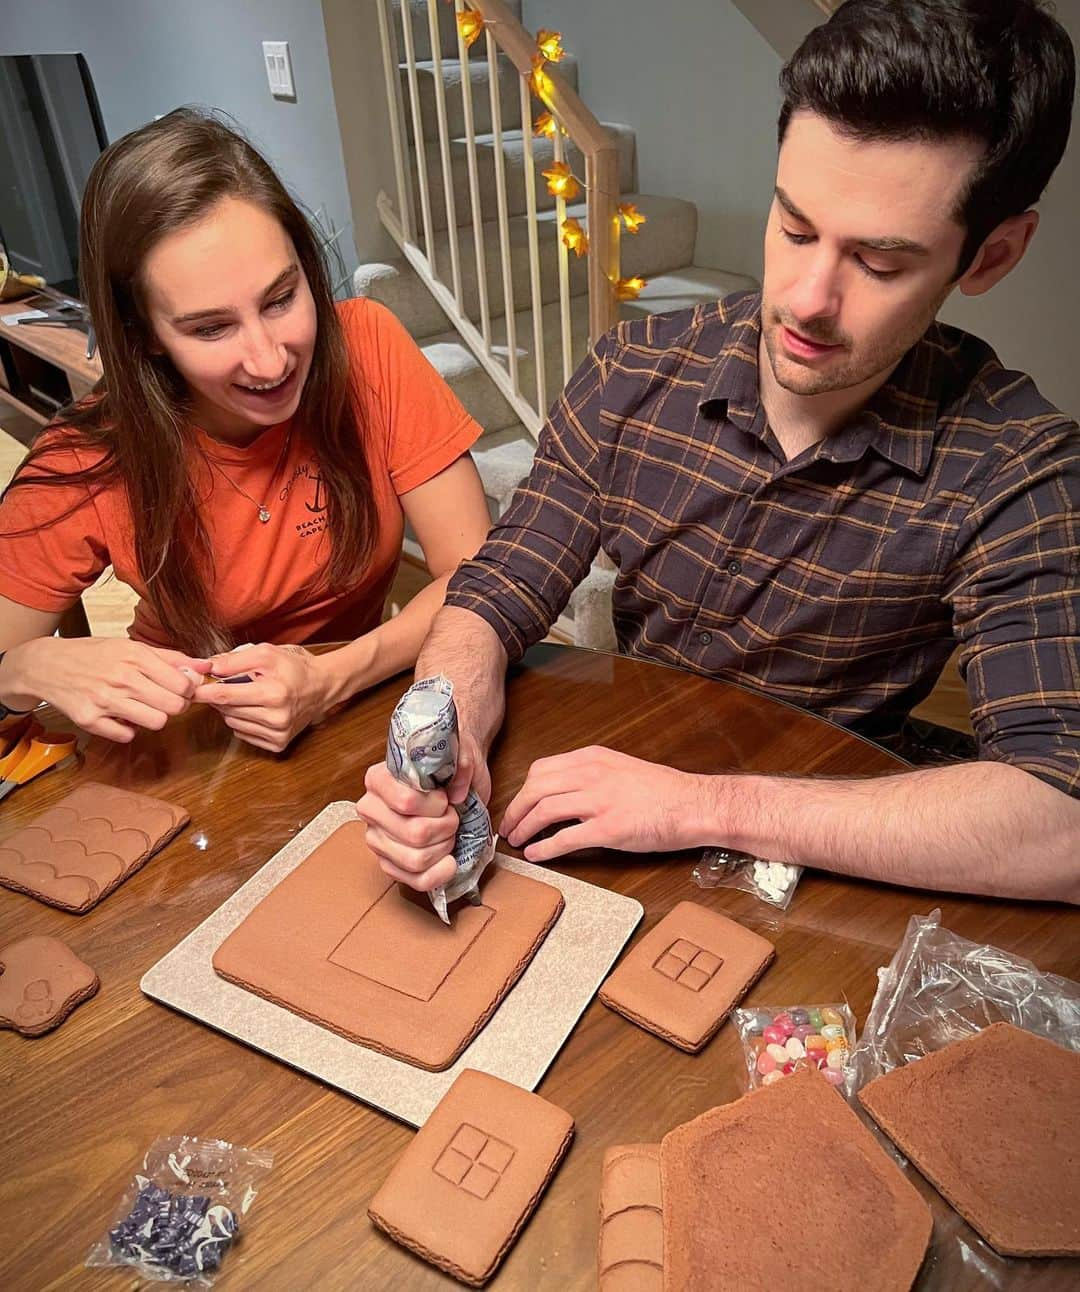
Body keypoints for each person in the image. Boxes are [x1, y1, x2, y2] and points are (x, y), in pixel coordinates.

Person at [358, 0, 1080, 903]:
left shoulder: (1017, 469)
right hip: (614, 825)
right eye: (795, 226)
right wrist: (446, 724)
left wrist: (703, 806)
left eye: (881, 264)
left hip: (828, 873)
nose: (809, 300)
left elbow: (1063, 817)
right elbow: (497, 590)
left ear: (992, 255)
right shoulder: (633, 373)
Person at [0, 109, 491, 752]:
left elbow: (480, 575)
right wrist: (26, 667)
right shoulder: (88, 456)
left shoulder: (368, 345)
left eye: (281, 299)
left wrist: (328, 679)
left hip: (346, 719)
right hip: (185, 748)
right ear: (143, 334)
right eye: (210, 329)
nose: (269, 361)